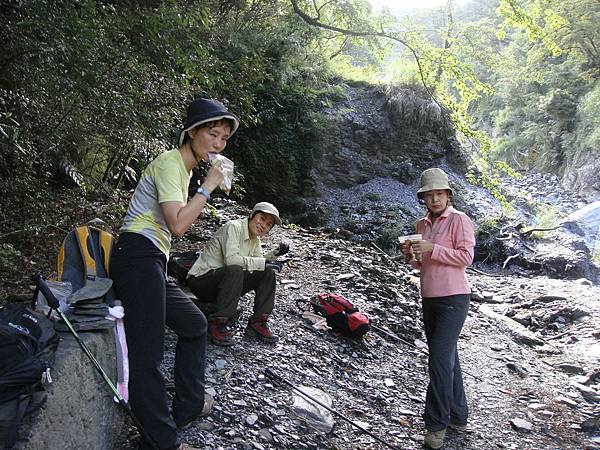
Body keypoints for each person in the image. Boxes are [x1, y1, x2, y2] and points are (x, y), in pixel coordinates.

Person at [109, 98, 240, 450]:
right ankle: (162, 442)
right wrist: (208, 186)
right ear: (192, 132)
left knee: (195, 324)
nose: (218, 144)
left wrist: (206, 184)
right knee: (147, 353)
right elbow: (178, 225)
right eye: (212, 134)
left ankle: (188, 405)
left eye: (224, 138)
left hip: (151, 259)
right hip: (136, 256)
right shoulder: (170, 163)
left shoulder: (183, 171)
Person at [400, 168, 476, 450]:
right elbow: (421, 265)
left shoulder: (459, 220)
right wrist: (411, 255)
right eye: (429, 195)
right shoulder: (421, 225)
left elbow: (466, 257)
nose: (434, 199)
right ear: (423, 198)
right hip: (429, 297)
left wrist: (433, 248)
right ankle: (459, 415)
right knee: (447, 358)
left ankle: (436, 425)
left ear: (448, 195)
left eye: (439, 193)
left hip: (454, 298)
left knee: (438, 360)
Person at [186, 202, 288, 346]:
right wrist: (262, 263)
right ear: (252, 215)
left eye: (268, 224)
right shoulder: (234, 227)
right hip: (202, 281)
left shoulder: (255, 240)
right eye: (262, 218)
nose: (263, 225)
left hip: (224, 286)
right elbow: (231, 260)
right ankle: (218, 323)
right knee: (235, 269)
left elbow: (258, 264)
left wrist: (275, 254)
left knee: (267, 273)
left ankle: (258, 322)